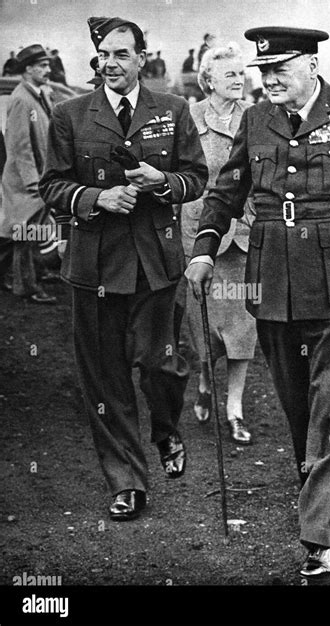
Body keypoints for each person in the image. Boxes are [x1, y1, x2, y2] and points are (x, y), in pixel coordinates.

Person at [186, 27, 330, 579]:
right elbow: (229, 188)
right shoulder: (256, 118)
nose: (268, 81)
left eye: (280, 69)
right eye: (261, 72)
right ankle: (319, 495)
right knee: (298, 409)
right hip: (274, 283)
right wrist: (203, 247)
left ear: (312, 65)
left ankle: (320, 535)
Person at [39, 16, 208, 522]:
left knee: (163, 364)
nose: (110, 64)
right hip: (93, 269)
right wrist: (94, 196)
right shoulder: (71, 115)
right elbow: (51, 187)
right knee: (105, 379)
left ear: (141, 59)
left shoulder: (173, 111)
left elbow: (196, 178)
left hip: (158, 264)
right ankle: (127, 482)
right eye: (103, 56)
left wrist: (163, 181)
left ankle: (165, 428)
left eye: (120, 55)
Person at [181, 43, 257, 445]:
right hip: (201, 236)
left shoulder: (256, 117)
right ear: (208, 79)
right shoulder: (189, 117)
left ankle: (235, 410)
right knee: (203, 326)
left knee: (244, 326)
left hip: (245, 234)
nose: (239, 80)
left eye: (242, 73)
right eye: (230, 74)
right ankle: (206, 380)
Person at [0, 44, 56, 304]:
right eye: (42, 66)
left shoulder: (37, 94)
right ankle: (26, 287)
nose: (48, 69)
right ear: (28, 69)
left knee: (28, 231)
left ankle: (35, 272)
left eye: (48, 65)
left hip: (37, 178)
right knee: (25, 233)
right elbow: (19, 147)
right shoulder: (22, 99)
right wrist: (34, 182)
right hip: (26, 181)